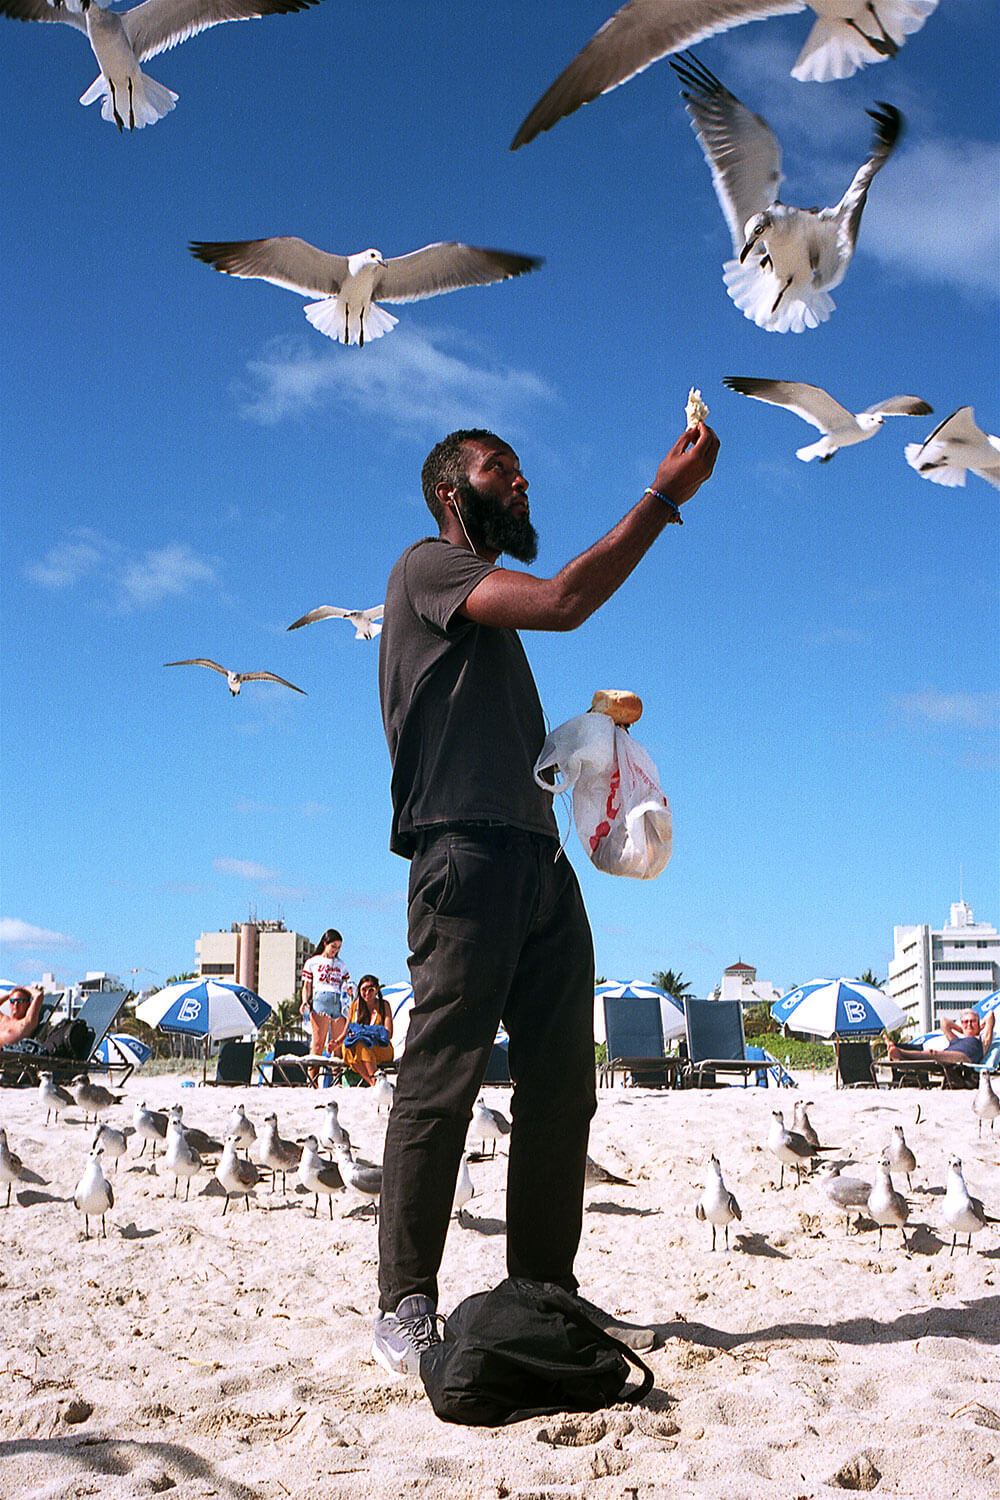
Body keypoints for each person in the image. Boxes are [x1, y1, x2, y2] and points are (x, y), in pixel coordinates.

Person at [372, 420, 719, 1376]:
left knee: (564, 1086)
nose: (521, 482)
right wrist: (665, 495)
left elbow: (516, 733)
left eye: (523, 470)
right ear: (453, 491)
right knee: (441, 1083)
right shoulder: (427, 568)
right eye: (499, 471)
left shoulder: (489, 632)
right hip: (462, 864)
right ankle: (404, 1305)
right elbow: (565, 600)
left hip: (540, 867)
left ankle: (542, 1288)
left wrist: (591, 752)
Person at [300, 930, 351, 1081]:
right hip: (320, 1000)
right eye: (333, 946)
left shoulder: (341, 965)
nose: (335, 950)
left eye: (338, 947)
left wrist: (348, 990)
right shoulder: (313, 962)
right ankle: (312, 1081)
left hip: (338, 1002)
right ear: (325, 943)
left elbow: (347, 984)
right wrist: (304, 1001)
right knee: (318, 1044)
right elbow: (306, 986)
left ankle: (337, 1080)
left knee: (337, 1045)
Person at [885, 1008, 994, 1067]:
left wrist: (977, 1029)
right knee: (934, 1053)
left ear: (979, 1024)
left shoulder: (982, 1041)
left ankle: (901, 1053)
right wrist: (963, 1029)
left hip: (964, 1058)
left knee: (934, 1053)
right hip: (946, 1056)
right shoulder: (955, 1040)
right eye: (965, 1022)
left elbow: (990, 1014)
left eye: (972, 1022)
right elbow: (944, 1021)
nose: (969, 1024)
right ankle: (899, 1053)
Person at [341, 974, 395, 1086]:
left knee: (363, 1044)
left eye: (371, 989)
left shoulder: (384, 1005)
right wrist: (336, 1042)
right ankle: (373, 1082)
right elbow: (347, 1029)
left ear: (376, 990)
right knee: (346, 1047)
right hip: (362, 1048)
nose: (367, 993)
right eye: (364, 989)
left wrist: (367, 1033)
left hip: (382, 1047)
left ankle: (374, 1082)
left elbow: (389, 1033)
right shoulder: (355, 1006)